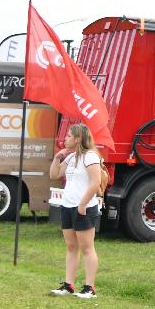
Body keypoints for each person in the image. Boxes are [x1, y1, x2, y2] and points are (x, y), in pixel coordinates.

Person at [49, 123, 105, 299]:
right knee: (71, 247)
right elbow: (54, 175)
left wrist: (82, 204)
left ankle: (90, 288)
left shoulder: (90, 157)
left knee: (87, 248)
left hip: (84, 208)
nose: (65, 138)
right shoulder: (71, 157)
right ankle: (68, 285)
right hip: (68, 206)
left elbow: (95, 183)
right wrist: (57, 158)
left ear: (78, 138)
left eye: (68, 136)